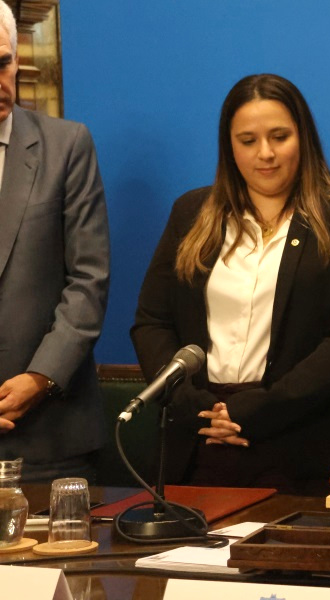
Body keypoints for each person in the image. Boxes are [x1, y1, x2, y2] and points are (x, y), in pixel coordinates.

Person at [132, 74, 330, 493]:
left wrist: (262, 408)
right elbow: (152, 321)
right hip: (200, 438)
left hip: (304, 444)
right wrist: (192, 405)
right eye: (248, 140)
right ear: (229, 147)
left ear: (304, 138)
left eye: (280, 136)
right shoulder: (191, 213)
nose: (266, 154)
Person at [0, 4, 110, 483]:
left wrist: (38, 379)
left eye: (1, 63)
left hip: (49, 435)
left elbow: (89, 281)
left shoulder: (67, 146)